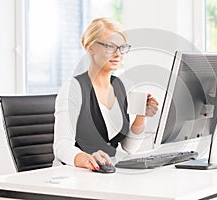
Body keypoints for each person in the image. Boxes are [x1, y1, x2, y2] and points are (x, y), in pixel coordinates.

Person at [53, 18, 159, 171]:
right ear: (91, 47)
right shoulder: (73, 88)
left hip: (106, 173)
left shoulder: (122, 87)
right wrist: (85, 159)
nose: (118, 54)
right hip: (72, 175)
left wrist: (141, 116)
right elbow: (61, 147)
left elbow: (129, 148)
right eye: (110, 46)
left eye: (121, 47)